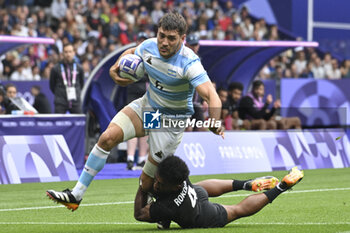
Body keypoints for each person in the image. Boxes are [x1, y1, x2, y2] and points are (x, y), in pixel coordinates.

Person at [46, 11, 224, 211]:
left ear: (182, 39)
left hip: (171, 121)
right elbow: (132, 52)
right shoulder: (149, 46)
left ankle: (169, 209)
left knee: (147, 183)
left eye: (171, 38)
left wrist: (214, 120)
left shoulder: (189, 63)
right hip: (149, 107)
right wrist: (115, 68)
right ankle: (76, 195)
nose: (164, 42)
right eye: (161, 36)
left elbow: (211, 94)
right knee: (107, 137)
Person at [134, 156, 304, 229]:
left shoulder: (168, 207)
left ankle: (281, 187)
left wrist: (142, 186)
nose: (155, 184)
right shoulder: (176, 171)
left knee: (237, 210)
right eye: (156, 179)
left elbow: (140, 215)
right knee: (195, 187)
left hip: (202, 215)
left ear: (176, 186)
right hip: (195, 192)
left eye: (160, 182)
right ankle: (243, 184)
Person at [126, 32, 150, 170]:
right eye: (139, 40)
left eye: (144, 41)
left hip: (150, 95)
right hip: (133, 94)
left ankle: (142, 159)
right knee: (132, 125)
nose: (141, 43)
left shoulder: (153, 57)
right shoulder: (130, 56)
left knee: (148, 127)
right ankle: (130, 158)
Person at [49, 43, 84, 113]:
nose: (68, 54)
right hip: (60, 102)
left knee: (78, 122)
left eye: (70, 52)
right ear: (62, 53)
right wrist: (60, 93)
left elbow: (81, 84)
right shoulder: (56, 68)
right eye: (66, 52)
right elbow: (52, 85)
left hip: (75, 101)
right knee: (58, 122)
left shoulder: (79, 68)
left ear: (74, 53)